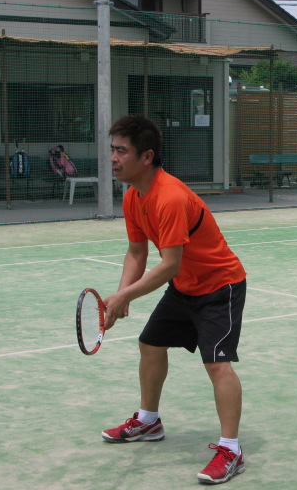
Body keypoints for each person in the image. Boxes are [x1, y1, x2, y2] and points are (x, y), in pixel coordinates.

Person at [101, 115, 247, 485]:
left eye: (121, 151)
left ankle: (231, 450)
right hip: (185, 287)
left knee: (217, 364)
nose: (113, 158)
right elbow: (137, 252)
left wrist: (125, 295)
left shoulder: (169, 197)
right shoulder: (133, 196)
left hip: (220, 286)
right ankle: (149, 422)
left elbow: (169, 264)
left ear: (146, 156)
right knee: (150, 343)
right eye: (112, 150)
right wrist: (122, 295)